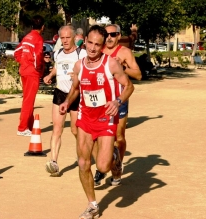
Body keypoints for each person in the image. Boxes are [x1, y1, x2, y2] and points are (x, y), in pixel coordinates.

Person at [59, 24, 134, 219]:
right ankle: (92, 205)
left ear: (103, 47)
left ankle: (115, 155)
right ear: (84, 42)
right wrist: (67, 102)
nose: (92, 48)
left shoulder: (111, 64)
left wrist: (118, 102)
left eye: (97, 45)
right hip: (85, 119)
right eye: (90, 43)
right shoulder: (79, 65)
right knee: (83, 163)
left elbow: (129, 86)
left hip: (106, 119)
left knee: (102, 167)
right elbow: (75, 88)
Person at [92, 23, 141, 186]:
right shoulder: (99, 50)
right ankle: (101, 168)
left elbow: (138, 75)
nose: (110, 38)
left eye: (113, 35)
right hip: (100, 100)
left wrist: (122, 68)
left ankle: (117, 169)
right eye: (107, 35)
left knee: (118, 137)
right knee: (97, 136)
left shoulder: (125, 52)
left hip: (119, 99)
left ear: (119, 36)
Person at [42, 25, 87, 176]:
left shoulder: (82, 54)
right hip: (60, 93)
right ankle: (54, 162)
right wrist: (50, 76)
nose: (65, 41)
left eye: (68, 37)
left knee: (75, 130)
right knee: (57, 128)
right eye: (62, 38)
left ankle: (84, 153)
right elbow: (57, 67)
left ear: (74, 37)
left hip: (76, 95)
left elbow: (89, 72)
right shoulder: (58, 52)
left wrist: (79, 77)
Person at [14, 15, 45, 136]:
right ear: (42, 27)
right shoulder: (38, 38)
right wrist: (38, 68)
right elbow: (38, 56)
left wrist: (22, 61)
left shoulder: (27, 37)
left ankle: (29, 126)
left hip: (24, 70)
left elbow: (17, 51)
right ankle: (22, 128)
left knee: (28, 99)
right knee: (28, 100)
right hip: (32, 72)